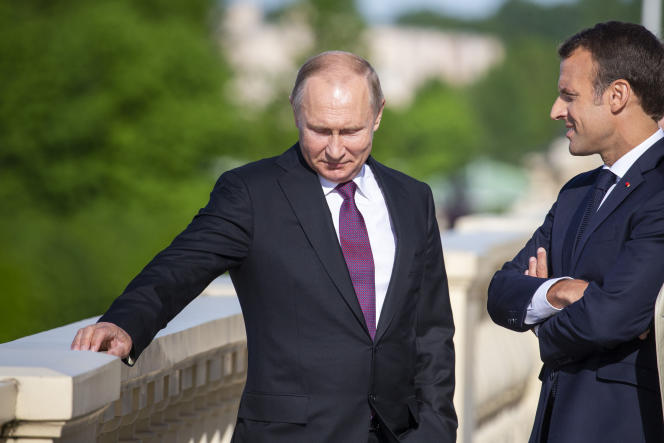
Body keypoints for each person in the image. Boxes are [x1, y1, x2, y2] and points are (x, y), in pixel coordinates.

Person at [71, 51, 457, 443]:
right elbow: (181, 266)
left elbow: (431, 331)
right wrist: (124, 322)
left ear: (378, 114)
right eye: (320, 130)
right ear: (295, 113)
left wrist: (438, 430)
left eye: (351, 131)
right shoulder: (251, 194)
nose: (335, 149)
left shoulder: (413, 199)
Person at [487, 21, 664, 443]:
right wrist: (560, 291)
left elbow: (613, 316)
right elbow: (500, 291)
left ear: (617, 95)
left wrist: (542, 327)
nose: (555, 110)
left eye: (569, 96)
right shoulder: (576, 192)